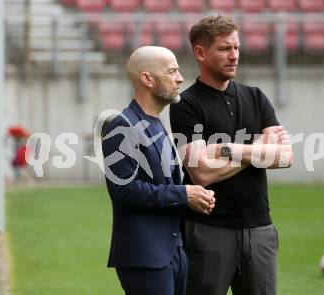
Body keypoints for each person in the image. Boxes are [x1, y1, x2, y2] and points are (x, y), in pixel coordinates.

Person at [169, 15, 293, 295]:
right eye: (225, 49)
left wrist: (230, 149)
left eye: (236, 47)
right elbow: (201, 173)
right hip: (209, 230)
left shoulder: (256, 96)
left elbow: (285, 156)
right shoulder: (185, 105)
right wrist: (260, 148)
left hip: (261, 228)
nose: (234, 55)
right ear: (200, 52)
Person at [102, 46, 216, 295]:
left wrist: (194, 196)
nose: (180, 78)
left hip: (173, 252)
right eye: (172, 71)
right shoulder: (122, 125)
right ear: (147, 78)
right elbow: (124, 190)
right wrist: (184, 194)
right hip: (146, 257)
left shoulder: (157, 123)